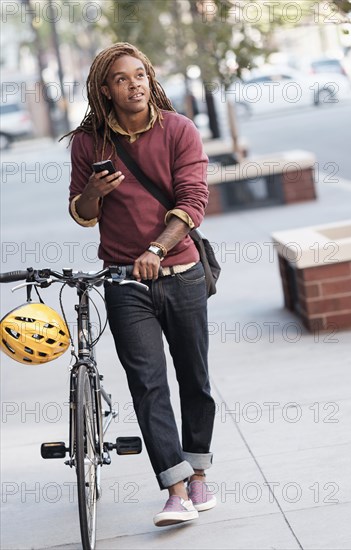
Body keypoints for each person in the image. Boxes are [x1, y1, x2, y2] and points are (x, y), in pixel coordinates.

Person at [65, 42, 216, 527]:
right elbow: (83, 213)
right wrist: (93, 191)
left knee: (194, 379)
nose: (134, 85)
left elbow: (193, 200)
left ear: (150, 79)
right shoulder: (89, 144)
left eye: (140, 76)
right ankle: (174, 490)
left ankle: (198, 474)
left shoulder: (179, 130)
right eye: (122, 79)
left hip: (182, 274)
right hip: (124, 283)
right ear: (105, 90)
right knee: (147, 385)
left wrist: (155, 249)